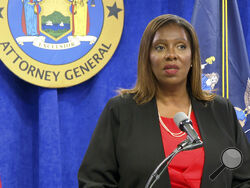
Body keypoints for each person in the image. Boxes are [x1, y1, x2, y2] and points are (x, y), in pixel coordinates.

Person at [78, 14, 250, 187]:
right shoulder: (120, 111)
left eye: (181, 46)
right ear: (147, 57)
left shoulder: (221, 111)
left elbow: (244, 179)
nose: (171, 55)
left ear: (192, 58)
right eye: (160, 48)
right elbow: (94, 182)